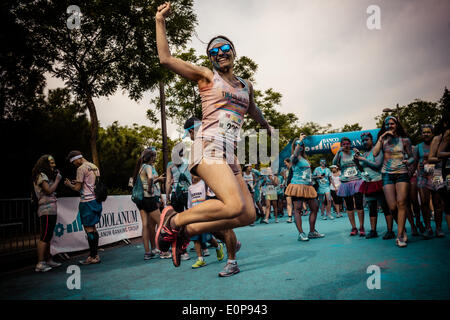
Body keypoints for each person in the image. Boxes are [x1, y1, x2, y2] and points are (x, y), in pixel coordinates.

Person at [155, 2, 274, 273]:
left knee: (246, 214)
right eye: (214, 52)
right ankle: (173, 222)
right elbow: (166, 60)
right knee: (231, 204)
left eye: (224, 49)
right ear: (210, 58)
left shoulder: (246, 85)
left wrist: (266, 126)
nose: (220, 54)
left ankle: (187, 231)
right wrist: (160, 20)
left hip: (229, 153)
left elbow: (252, 108)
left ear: (233, 52)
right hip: (208, 146)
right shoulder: (207, 77)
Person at [181, 117, 242, 275]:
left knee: (227, 227)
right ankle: (232, 245)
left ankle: (232, 262)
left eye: (189, 135)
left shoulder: (214, 138)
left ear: (192, 131)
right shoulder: (201, 144)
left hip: (224, 191)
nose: (190, 138)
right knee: (211, 227)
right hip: (210, 193)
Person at [372, 116, 415, 247]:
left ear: (396, 125)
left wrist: (409, 161)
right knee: (392, 207)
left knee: (402, 203)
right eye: (387, 124)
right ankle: (402, 228)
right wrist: (381, 138)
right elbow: (374, 153)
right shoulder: (383, 140)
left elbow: (412, 157)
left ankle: (400, 235)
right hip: (387, 175)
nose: (390, 126)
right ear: (384, 126)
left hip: (402, 173)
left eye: (392, 124)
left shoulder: (405, 140)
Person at [64, 151, 102, 264]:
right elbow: (91, 182)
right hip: (96, 200)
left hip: (87, 201)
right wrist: (80, 182)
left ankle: (93, 256)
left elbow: (77, 188)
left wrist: (69, 185)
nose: (74, 164)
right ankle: (95, 255)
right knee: (93, 228)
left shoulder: (81, 168)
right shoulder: (94, 166)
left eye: (74, 161)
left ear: (78, 158)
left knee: (89, 229)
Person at [285, 134, 324, 241]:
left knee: (315, 207)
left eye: (302, 144)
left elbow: (306, 173)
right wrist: (300, 141)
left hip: (308, 187)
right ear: (296, 145)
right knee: (297, 209)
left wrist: (315, 178)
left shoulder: (305, 159)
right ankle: (301, 233)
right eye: (299, 144)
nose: (301, 146)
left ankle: (312, 232)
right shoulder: (294, 157)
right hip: (297, 186)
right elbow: (296, 152)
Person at [355, 132, 394, 239]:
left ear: (372, 140)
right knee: (371, 207)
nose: (364, 142)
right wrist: (357, 161)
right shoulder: (364, 154)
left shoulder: (377, 151)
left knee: (385, 206)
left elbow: (377, 165)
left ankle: (390, 230)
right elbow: (362, 169)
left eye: (366, 140)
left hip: (379, 181)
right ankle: (373, 231)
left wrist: (363, 160)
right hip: (368, 183)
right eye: (363, 140)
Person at [31, 155, 63, 272]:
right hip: (46, 209)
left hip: (50, 208)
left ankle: (48, 259)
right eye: (51, 163)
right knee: (44, 236)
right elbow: (48, 190)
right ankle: (40, 263)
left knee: (48, 235)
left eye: (54, 162)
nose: (53, 165)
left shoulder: (46, 175)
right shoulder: (41, 175)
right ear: (44, 164)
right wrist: (57, 180)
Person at [132, 148, 165, 260]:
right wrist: (151, 189)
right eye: (154, 156)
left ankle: (147, 252)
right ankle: (163, 251)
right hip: (149, 198)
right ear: (151, 157)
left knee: (145, 225)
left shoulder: (140, 168)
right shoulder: (148, 167)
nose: (155, 158)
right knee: (162, 223)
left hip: (141, 200)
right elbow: (150, 178)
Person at [187, 174, 225, 269]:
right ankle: (200, 260)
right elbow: (189, 203)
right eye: (191, 174)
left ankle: (218, 246)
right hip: (195, 217)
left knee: (207, 237)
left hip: (205, 215)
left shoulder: (204, 184)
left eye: (195, 174)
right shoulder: (190, 188)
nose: (193, 176)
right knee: (195, 238)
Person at [333, 137, 365, 237]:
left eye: (348, 144)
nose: (346, 145)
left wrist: (359, 154)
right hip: (346, 182)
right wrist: (338, 152)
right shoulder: (340, 154)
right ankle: (354, 227)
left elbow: (362, 164)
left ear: (350, 144)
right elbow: (334, 163)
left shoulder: (354, 152)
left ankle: (361, 226)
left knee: (359, 204)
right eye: (344, 144)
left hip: (357, 180)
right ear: (341, 145)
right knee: (349, 206)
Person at [428, 111, 450, 231]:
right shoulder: (437, 138)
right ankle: (438, 228)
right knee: (443, 203)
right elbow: (431, 158)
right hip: (440, 174)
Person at [166, 144, 191, 213]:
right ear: (183, 153)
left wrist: (167, 197)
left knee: (177, 217)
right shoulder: (189, 162)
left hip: (176, 193)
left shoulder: (170, 165)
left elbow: (168, 182)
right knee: (191, 215)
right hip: (188, 192)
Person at [284, 158, 294, 223]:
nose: (285, 164)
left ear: (289, 162)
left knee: (295, 203)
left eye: (285, 163)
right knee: (288, 202)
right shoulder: (285, 170)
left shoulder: (293, 169)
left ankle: (296, 215)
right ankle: (289, 217)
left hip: (294, 187)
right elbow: (286, 179)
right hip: (287, 187)